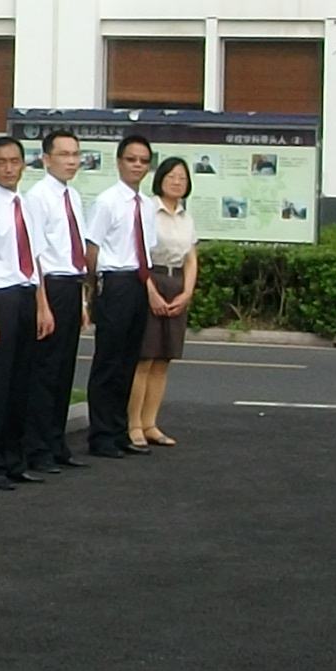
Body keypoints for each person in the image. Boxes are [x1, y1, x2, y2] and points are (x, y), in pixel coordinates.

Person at [0, 135, 57, 489]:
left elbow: (35, 259)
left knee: (22, 383)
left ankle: (13, 458)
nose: (8, 168)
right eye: (0, 162)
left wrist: (43, 305)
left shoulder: (28, 205)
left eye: (14, 161)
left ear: (24, 164)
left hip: (26, 293)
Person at [80, 134, 158, 459]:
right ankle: (100, 435)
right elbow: (92, 248)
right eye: (131, 159)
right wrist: (92, 292)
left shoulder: (147, 205)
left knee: (128, 360)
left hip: (138, 282)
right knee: (109, 361)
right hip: (114, 282)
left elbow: (147, 251)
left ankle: (119, 429)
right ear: (119, 162)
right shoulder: (107, 201)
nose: (136, 166)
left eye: (142, 161)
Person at [19, 130, 91, 474]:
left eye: (75, 154)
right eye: (64, 155)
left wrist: (82, 300)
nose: (72, 161)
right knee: (44, 371)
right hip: (50, 287)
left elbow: (74, 252)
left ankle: (56, 440)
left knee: (64, 371)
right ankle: (36, 447)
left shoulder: (73, 196)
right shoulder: (37, 197)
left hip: (71, 286)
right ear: (46, 158)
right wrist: (42, 303)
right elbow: (35, 256)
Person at [129, 154, 201, 450]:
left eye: (182, 177)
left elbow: (191, 258)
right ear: (160, 179)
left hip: (176, 284)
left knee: (163, 359)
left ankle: (150, 424)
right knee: (144, 359)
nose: (177, 181)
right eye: (171, 176)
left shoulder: (186, 216)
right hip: (150, 280)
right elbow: (137, 254)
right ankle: (133, 425)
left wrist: (187, 292)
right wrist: (151, 292)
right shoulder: (148, 210)